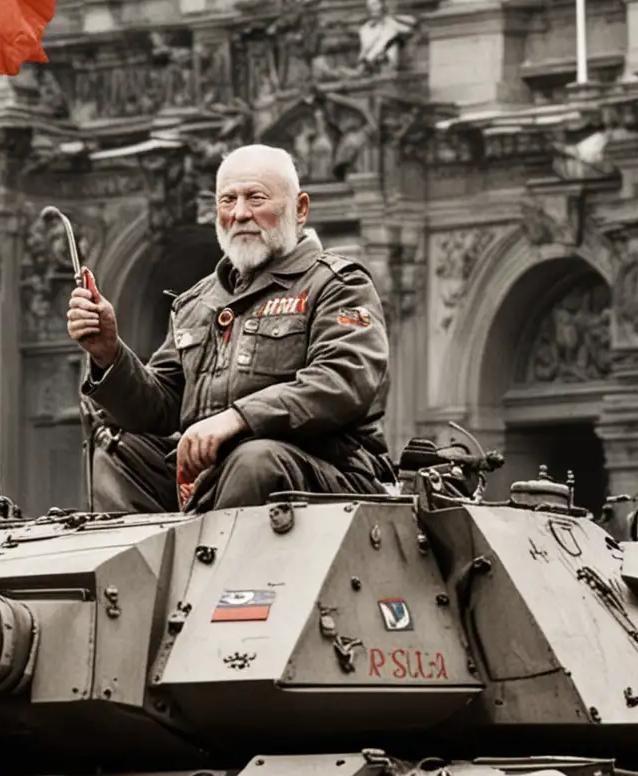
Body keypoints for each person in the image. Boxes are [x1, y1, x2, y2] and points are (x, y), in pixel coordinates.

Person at [66, 143, 393, 512]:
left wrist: (238, 419)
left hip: (328, 474)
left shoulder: (338, 285)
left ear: (300, 209)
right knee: (119, 451)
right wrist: (108, 353)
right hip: (218, 475)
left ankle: (218, 568)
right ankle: (145, 567)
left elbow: (342, 380)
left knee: (254, 461)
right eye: (227, 200)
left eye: (255, 198)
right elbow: (160, 405)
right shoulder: (197, 302)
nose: (239, 213)